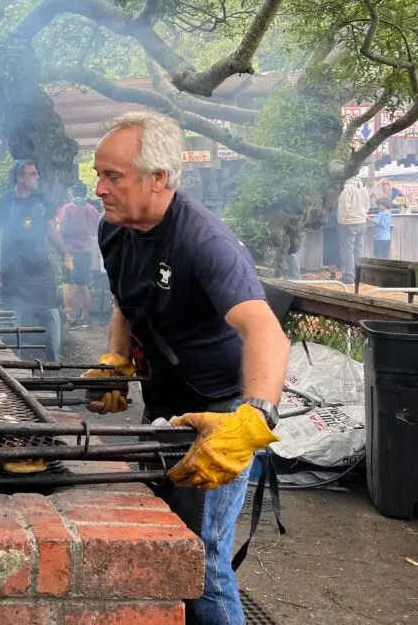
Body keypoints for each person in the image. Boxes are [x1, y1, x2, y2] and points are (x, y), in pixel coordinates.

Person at [85, 112, 289, 625]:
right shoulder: (115, 231)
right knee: (165, 543)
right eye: (97, 174)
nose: (99, 188)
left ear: (159, 178)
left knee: (201, 561)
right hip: (166, 410)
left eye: (113, 176)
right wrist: (117, 360)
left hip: (220, 417)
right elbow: (125, 301)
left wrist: (254, 419)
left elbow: (266, 332)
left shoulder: (204, 242)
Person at [0, 160, 74, 363]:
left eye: (36, 173)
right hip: (13, 270)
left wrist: (66, 254)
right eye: (32, 174)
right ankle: (14, 363)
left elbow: (51, 230)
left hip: (40, 269)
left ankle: (54, 362)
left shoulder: (42, 201)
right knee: (14, 317)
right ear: (19, 178)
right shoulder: (3, 203)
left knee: (52, 314)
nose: (37, 177)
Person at [57, 182, 100, 327]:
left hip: (69, 252)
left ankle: (70, 316)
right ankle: (85, 316)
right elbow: (95, 231)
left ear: (73, 193)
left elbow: (61, 230)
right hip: (85, 251)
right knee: (83, 284)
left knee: (68, 284)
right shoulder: (92, 210)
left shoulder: (68, 208)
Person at [337, 175, 370, 284]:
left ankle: (349, 276)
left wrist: (341, 220)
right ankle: (358, 275)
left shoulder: (346, 188)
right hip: (362, 222)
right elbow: (367, 205)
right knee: (358, 251)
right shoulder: (363, 187)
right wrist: (363, 215)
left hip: (349, 223)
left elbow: (343, 206)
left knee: (348, 251)